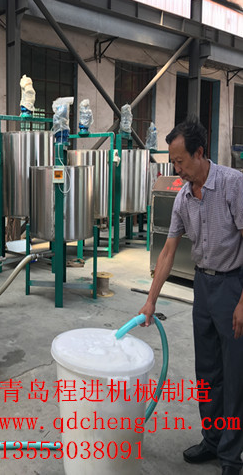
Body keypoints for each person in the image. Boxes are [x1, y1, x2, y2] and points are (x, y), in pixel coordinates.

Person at [139, 115, 243, 475]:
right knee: (207, 372)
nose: (176, 169)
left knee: (234, 375)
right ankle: (212, 441)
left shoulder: (232, 184)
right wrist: (151, 299)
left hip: (233, 285)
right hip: (204, 287)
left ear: (200, 153)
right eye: (173, 162)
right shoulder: (183, 197)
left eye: (180, 161)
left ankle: (231, 456)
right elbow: (168, 251)